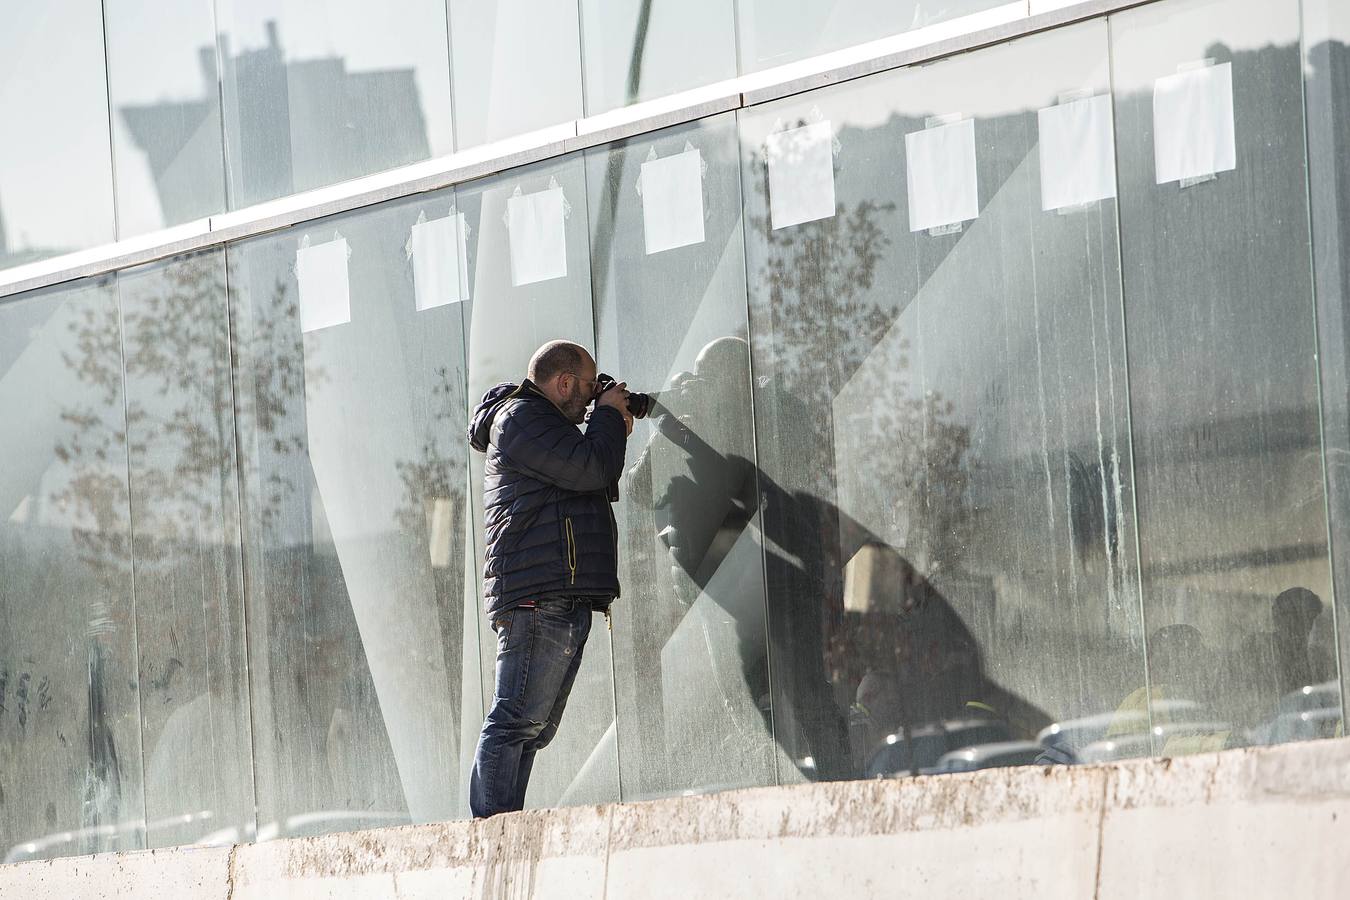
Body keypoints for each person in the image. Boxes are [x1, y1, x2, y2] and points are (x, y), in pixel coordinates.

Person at [466, 340, 633, 817]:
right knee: (515, 720)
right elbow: (592, 468)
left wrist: (608, 420)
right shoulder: (521, 418)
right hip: (539, 598)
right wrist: (605, 419)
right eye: (586, 389)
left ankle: (503, 825)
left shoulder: (541, 426)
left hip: (558, 594)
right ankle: (490, 834)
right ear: (563, 383)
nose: (588, 402)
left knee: (534, 729)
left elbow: (587, 471)